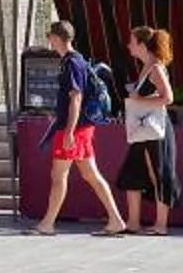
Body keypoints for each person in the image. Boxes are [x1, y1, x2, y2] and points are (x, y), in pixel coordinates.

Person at [32, 20, 131, 236]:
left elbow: (76, 98)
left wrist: (68, 131)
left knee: (59, 176)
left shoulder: (71, 63)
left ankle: (47, 223)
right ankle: (115, 219)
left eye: (50, 36)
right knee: (91, 175)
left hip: (73, 128)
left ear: (57, 38)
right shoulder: (77, 61)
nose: (49, 40)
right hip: (83, 127)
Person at [115, 27, 178, 236]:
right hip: (143, 130)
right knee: (132, 172)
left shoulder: (156, 69)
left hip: (156, 130)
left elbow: (168, 98)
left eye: (132, 42)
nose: (129, 46)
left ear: (142, 45)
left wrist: (138, 99)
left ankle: (161, 225)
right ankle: (133, 222)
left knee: (159, 173)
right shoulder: (146, 67)